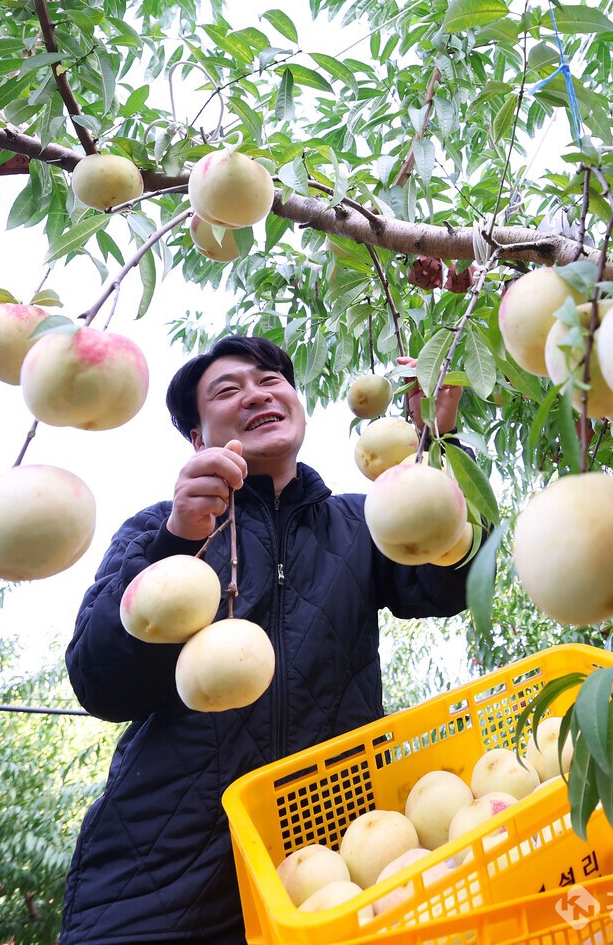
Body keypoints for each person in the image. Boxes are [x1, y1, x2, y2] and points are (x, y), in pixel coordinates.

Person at [60, 334, 471, 944]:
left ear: (297, 405)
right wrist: (177, 540)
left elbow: (451, 582)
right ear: (198, 440)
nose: (255, 394)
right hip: (157, 882)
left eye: (270, 380)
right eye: (227, 391)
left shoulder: (364, 522)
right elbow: (101, 684)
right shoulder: (156, 532)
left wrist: (437, 454)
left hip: (327, 873)